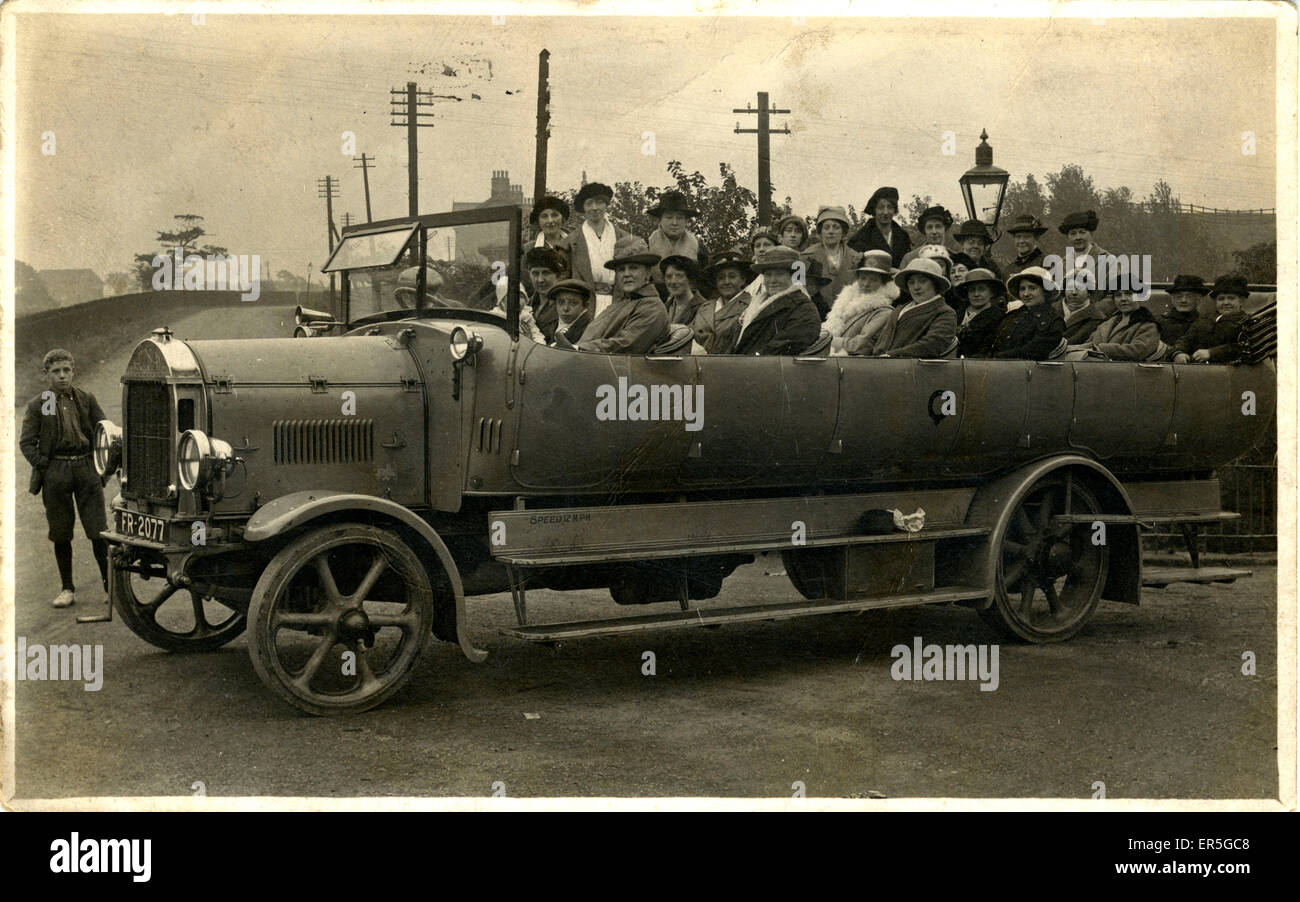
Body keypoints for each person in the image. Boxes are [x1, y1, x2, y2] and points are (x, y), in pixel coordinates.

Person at [20, 348, 111, 608]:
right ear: (46, 374)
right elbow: (27, 442)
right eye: (56, 371)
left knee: (98, 530)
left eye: (66, 370)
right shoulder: (41, 404)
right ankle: (67, 589)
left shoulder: (85, 398)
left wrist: (101, 467)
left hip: (85, 468)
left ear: (73, 371)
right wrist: (44, 466)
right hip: (56, 472)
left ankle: (109, 586)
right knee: (61, 531)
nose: (62, 376)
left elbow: (104, 432)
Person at [564, 236, 669, 354]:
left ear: (647, 273)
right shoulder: (621, 303)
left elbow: (625, 344)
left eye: (633, 268)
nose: (626, 274)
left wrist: (579, 348)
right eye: (621, 269)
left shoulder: (652, 307)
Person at [732, 245, 822, 355]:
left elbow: (780, 350)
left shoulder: (804, 309)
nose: (772, 280)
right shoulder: (755, 305)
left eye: (780, 274)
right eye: (768, 275)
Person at [561, 181, 631, 317]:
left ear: (606, 205)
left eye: (599, 202)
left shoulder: (624, 238)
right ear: (583, 208)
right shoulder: (570, 242)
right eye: (589, 203)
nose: (594, 208)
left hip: (618, 302)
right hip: (585, 304)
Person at [877, 258, 957, 358]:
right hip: (881, 365)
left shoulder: (945, 312)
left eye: (922, 281)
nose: (916, 287)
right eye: (911, 282)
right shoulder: (899, 309)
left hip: (914, 368)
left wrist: (892, 355)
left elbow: (932, 344)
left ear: (935, 284)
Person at [825, 250, 899, 355]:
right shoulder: (847, 302)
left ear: (884, 283)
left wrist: (825, 340)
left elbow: (859, 345)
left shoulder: (883, 312)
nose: (866, 284)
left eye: (874, 280)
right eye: (863, 278)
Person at [991, 266, 1065, 360]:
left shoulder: (1053, 321)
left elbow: (1032, 351)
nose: (1026, 294)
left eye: (1032, 288)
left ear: (1045, 291)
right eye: (1022, 289)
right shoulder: (1011, 316)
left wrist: (996, 358)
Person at [1172, 274, 1249, 364]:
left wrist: (1211, 353)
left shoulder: (1247, 322)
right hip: (1197, 370)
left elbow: (1242, 347)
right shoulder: (1204, 319)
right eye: (1221, 299)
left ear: (1241, 301)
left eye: (1231, 298)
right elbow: (1186, 339)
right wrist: (1178, 353)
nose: (1225, 303)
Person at [1067, 288, 1162, 361]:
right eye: (1118, 295)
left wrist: (1103, 349)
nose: (1123, 299)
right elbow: (1091, 344)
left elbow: (1139, 351)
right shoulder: (1107, 323)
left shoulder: (1148, 325)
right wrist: (1071, 348)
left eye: (1129, 294)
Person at [802, 205, 861, 320]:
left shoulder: (855, 257)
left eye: (836, 227)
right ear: (820, 232)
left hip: (848, 316)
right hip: (815, 316)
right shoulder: (805, 256)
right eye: (826, 227)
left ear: (843, 232)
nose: (831, 231)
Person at [693, 250, 753, 354]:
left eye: (732, 276)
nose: (726, 282)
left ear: (743, 280)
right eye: (721, 278)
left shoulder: (751, 306)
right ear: (715, 282)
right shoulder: (704, 308)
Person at [646, 190, 710, 285]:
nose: (674, 223)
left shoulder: (698, 248)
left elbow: (706, 282)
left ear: (686, 221)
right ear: (660, 220)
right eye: (669, 217)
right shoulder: (646, 246)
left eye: (679, 218)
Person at [847, 186, 911, 266]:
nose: (885, 212)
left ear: (894, 210)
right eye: (881, 208)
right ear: (874, 210)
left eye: (890, 207)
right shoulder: (862, 237)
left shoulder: (903, 236)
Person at [951, 268, 1006, 357]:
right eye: (972, 290)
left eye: (982, 289)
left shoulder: (998, 317)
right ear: (967, 293)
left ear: (992, 293)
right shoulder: (956, 314)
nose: (976, 294)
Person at [524, 246, 567, 341]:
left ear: (558, 275)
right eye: (535, 273)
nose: (540, 280)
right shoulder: (525, 304)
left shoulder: (565, 308)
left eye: (546, 273)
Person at [1158, 274, 1210, 345]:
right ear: (1172, 299)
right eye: (1179, 296)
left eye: (1189, 296)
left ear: (1198, 300)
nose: (1183, 300)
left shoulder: (1206, 324)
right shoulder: (1159, 324)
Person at [659, 255, 709, 326]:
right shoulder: (664, 308)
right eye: (669, 277)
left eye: (679, 276)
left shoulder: (704, 308)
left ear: (689, 279)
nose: (673, 282)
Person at [1058, 272, 1106, 343]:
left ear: (1089, 292)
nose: (1074, 292)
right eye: (1070, 288)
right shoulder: (1050, 309)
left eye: (1079, 288)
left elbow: (1076, 340)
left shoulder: (1096, 317)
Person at [548, 279, 594, 345]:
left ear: (585, 305)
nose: (565, 308)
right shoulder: (553, 325)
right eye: (561, 302)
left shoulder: (588, 329)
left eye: (573, 303)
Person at [1004, 214, 1049, 278]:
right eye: (1018, 237)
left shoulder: (1047, 265)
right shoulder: (1008, 270)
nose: (1021, 241)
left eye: (1026, 237)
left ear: (1036, 238)